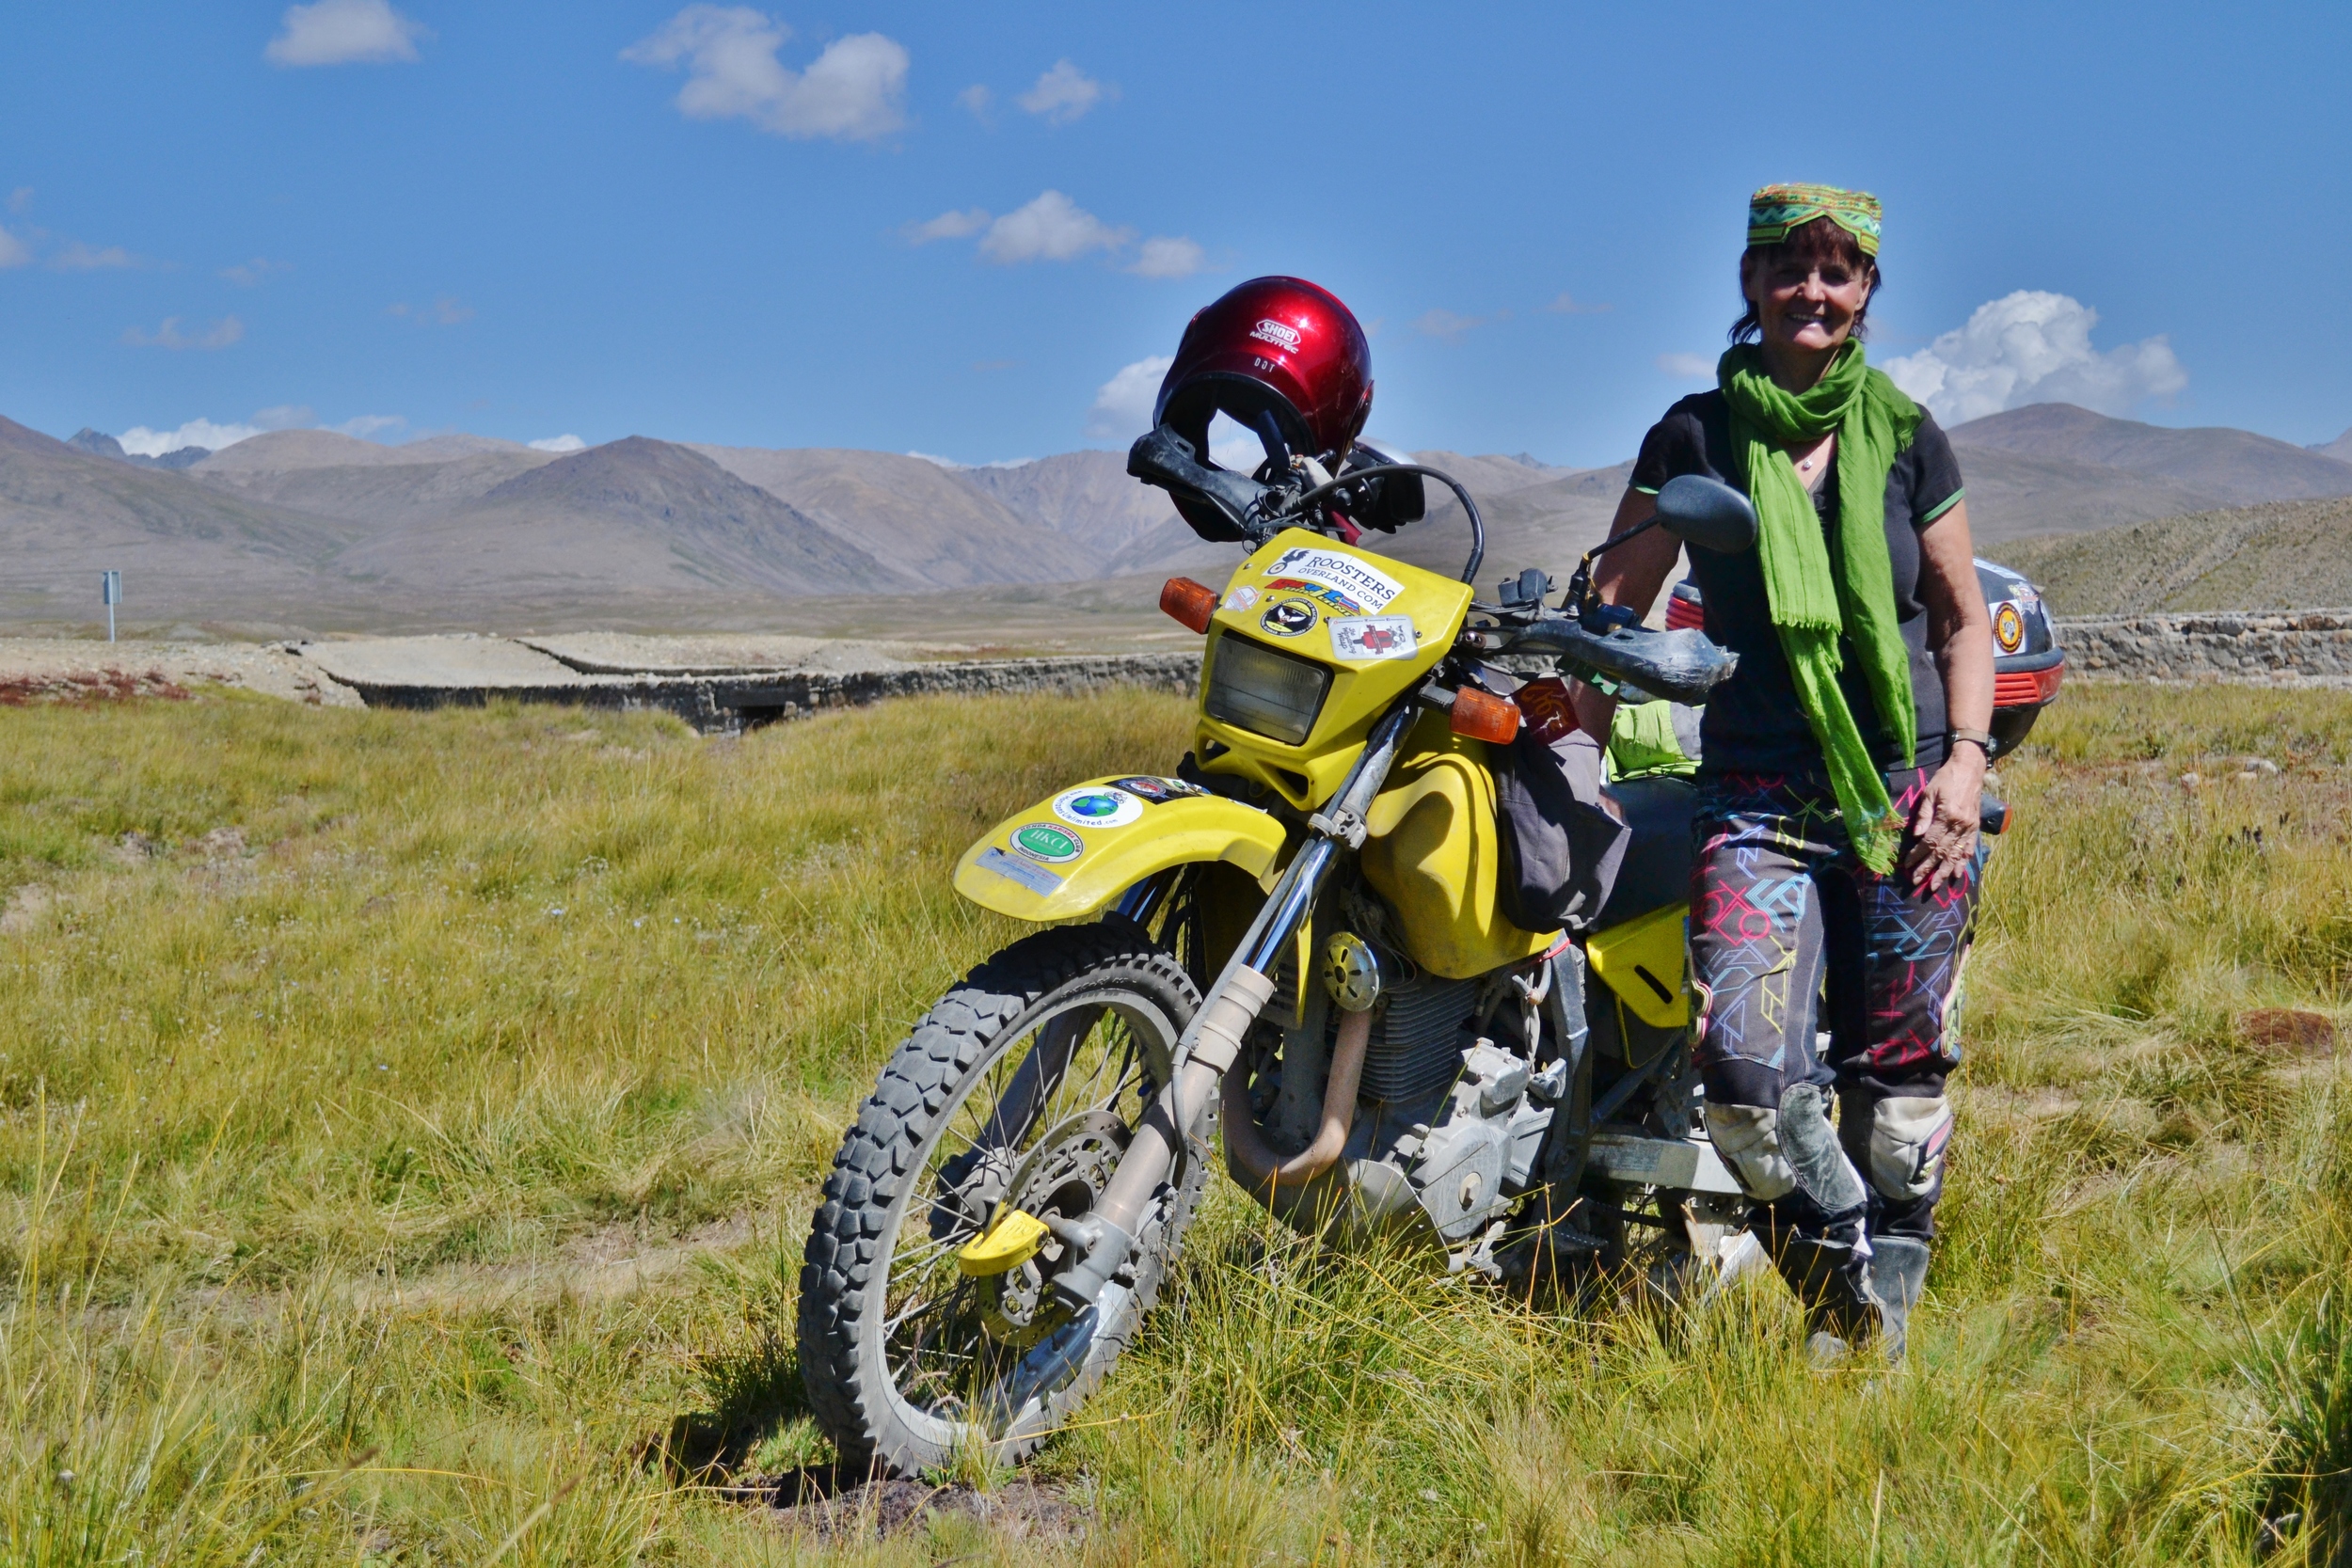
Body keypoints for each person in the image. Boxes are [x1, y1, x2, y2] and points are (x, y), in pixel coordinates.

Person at [1573, 183, 1994, 1363]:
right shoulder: (1694, 437)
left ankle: (1888, 1286)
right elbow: (1614, 607)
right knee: (1748, 1064)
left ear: (1866, 292)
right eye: (1789, 266)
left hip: (1905, 785)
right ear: (1750, 283)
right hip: (1754, 787)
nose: (1813, 289)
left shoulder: (1908, 435)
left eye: (1838, 269)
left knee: (1898, 1063)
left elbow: (1960, 621)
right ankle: (1834, 1269)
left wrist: (1964, 765)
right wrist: (1569, 758)